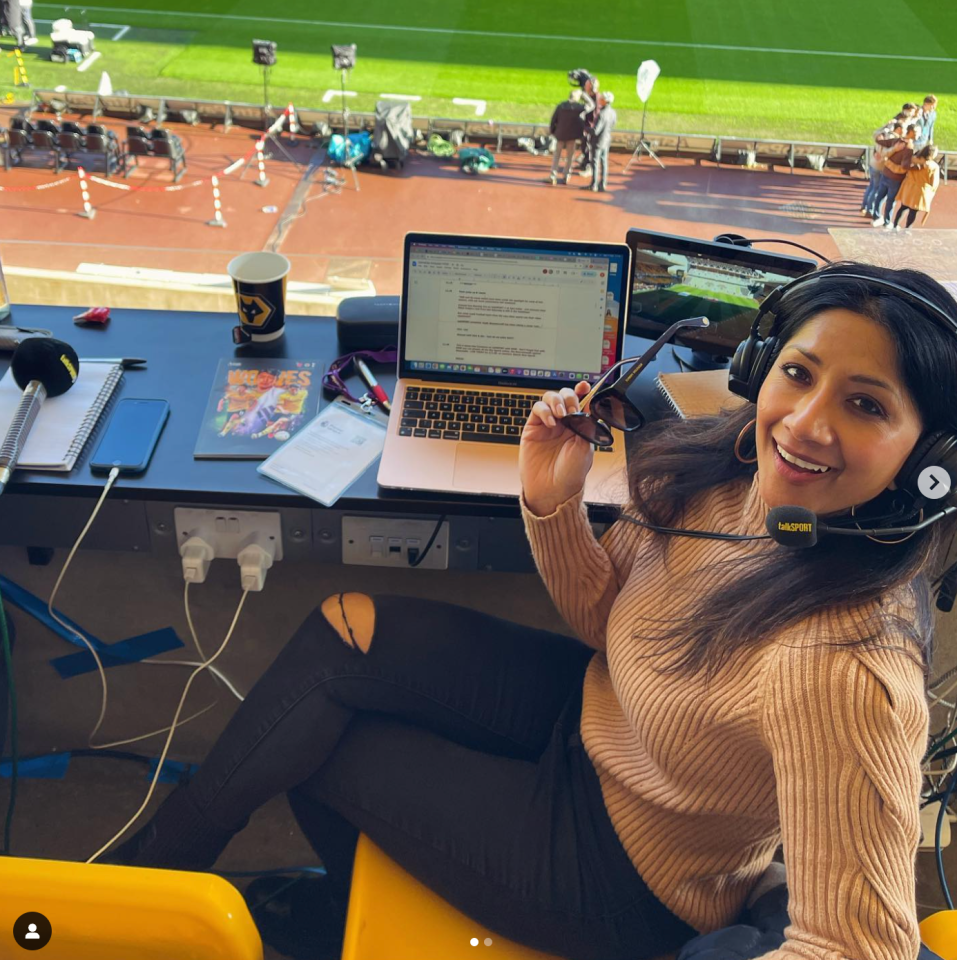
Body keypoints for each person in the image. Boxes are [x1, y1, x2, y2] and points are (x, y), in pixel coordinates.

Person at [97, 264, 957, 960]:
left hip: (629, 876)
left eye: (865, 404)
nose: (804, 423)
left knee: (322, 754)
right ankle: (150, 889)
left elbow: (860, 944)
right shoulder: (732, 470)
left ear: (930, 459)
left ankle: (224, 911)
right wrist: (554, 503)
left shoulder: (845, 666)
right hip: (593, 723)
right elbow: (608, 625)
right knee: (342, 632)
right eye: (797, 374)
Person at [871, 123, 916, 227]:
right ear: (910, 132)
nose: (919, 134)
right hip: (896, 178)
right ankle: (887, 222)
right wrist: (916, 166)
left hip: (886, 173)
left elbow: (879, 141)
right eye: (916, 132)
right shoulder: (909, 149)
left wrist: (881, 132)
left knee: (880, 196)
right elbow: (905, 166)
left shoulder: (896, 141)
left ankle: (876, 216)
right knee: (891, 201)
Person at [894, 143, 941, 230]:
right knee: (913, 211)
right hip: (920, 191)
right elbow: (933, 183)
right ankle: (907, 228)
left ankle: (895, 225)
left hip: (908, 187)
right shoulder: (933, 166)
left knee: (903, 207)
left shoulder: (913, 159)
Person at [547, 89, 585, 185]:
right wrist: (584, 96)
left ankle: (553, 175)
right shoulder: (579, 107)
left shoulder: (561, 106)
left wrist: (553, 131)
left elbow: (553, 119)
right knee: (570, 157)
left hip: (560, 134)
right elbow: (591, 106)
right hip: (572, 136)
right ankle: (566, 176)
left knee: (557, 156)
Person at [583, 91, 616, 193]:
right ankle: (603, 183)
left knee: (595, 162)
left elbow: (596, 131)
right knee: (604, 162)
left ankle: (594, 185)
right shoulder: (613, 112)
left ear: (605, 101)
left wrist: (586, 128)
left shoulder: (602, 114)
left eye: (601, 98)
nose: (599, 99)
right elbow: (612, 124)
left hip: (598, 141)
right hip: (606, 139)